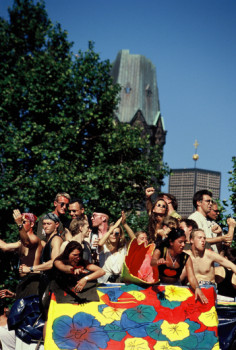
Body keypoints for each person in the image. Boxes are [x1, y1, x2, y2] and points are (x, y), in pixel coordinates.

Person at [150, 228, 208, 304]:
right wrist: (157, 262)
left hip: (176, 286)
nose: (183, 245)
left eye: (184, 242)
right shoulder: (160, 251)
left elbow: (192, 277)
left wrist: (197, 288)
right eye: (180, 242)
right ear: (171, 242)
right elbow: (152, 262)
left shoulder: (185, 257)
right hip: (159, 285)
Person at [0, 210, 42, 275]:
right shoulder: (20, 242)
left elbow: (26, 242)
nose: (22, 224)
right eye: (20, 221)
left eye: (24, 222)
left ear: (32, 224)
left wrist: (20, 224)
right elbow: (4, 247)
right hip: (24, 281)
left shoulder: (35, 238)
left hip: (33, 279)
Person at [97, 216, 128, 283]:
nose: (113, 235)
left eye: (116, 233)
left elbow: (134, 239)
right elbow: (100, 244)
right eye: (111, 233)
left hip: (120, 281)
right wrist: (113, 228)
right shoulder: (104, 247)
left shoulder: (123, 248)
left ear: (120, 236)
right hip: (105, 281)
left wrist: (125, 224)